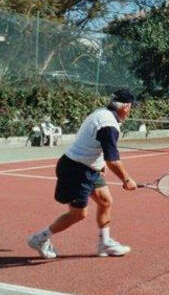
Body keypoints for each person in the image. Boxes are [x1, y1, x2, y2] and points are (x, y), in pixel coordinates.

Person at [27, 88, 138, 259]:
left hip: (88, 168)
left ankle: (105, 243)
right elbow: (113, 160)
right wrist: (127, 179)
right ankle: (40, 239)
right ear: (125, 106)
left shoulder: (102, 113)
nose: (131, 110)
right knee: (78, 214)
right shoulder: (108, 126)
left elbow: (93, 143)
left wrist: (99, 165)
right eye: (131, 106)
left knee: (106, 201)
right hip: (76, 170)